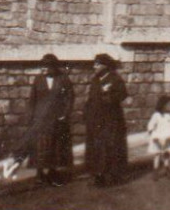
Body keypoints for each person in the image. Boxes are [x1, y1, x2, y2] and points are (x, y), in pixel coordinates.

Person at [22, 54, 75, 187]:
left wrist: (65, 114)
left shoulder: (63, 79)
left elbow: (70, 98)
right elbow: (32, 100)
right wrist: (30, 117)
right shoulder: (38, 80)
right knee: (40, 147)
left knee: (55, 147)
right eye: (42, 67)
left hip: (57, 119)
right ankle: (40, 174)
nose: (43, 69)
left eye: (46, 67)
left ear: (53, 67)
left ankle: (52, 172)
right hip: (40, 119)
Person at [83, 53, 129, 187]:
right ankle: (99, 175)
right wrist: (86, 113)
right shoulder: (95, 80)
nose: (94, 67)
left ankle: (113, 175)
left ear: (105, 65)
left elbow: (123, 94)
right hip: (96, 120)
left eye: (97, 64)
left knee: (111, 146)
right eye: (94, 64)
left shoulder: (115, 79)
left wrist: (107, 96)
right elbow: (90, 99)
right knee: (97, 148)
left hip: (111, 120)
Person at [146, 95, 170, 177]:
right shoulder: (156, 115)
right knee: (157, 154)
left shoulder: (169, 116)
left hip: (167, 137)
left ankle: (166, 167)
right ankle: (156, 170)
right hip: (158, 136)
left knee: (166, 153)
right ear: (162, 105)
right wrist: (151, 131)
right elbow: (151, 124)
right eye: (168, 105)